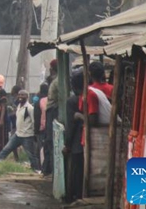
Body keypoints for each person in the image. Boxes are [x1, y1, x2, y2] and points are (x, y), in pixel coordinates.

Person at [0, 90, 39, 171]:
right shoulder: (19, 106)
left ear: (27, 97)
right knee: (6, 150)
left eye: (23, 95)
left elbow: (34, 121)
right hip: (18, 134)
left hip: (27, 136)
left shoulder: (29, 108)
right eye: (19, 95)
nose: (20, 97)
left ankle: (36, 169)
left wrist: (33, 133)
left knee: (31, 155)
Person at [63, 71, 85, 203]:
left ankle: (75, 196)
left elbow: (70, 125)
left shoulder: (72, 101)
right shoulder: (93, 95)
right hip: (91, 142)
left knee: (76, 171)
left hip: (77, 142)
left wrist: (67, 144)